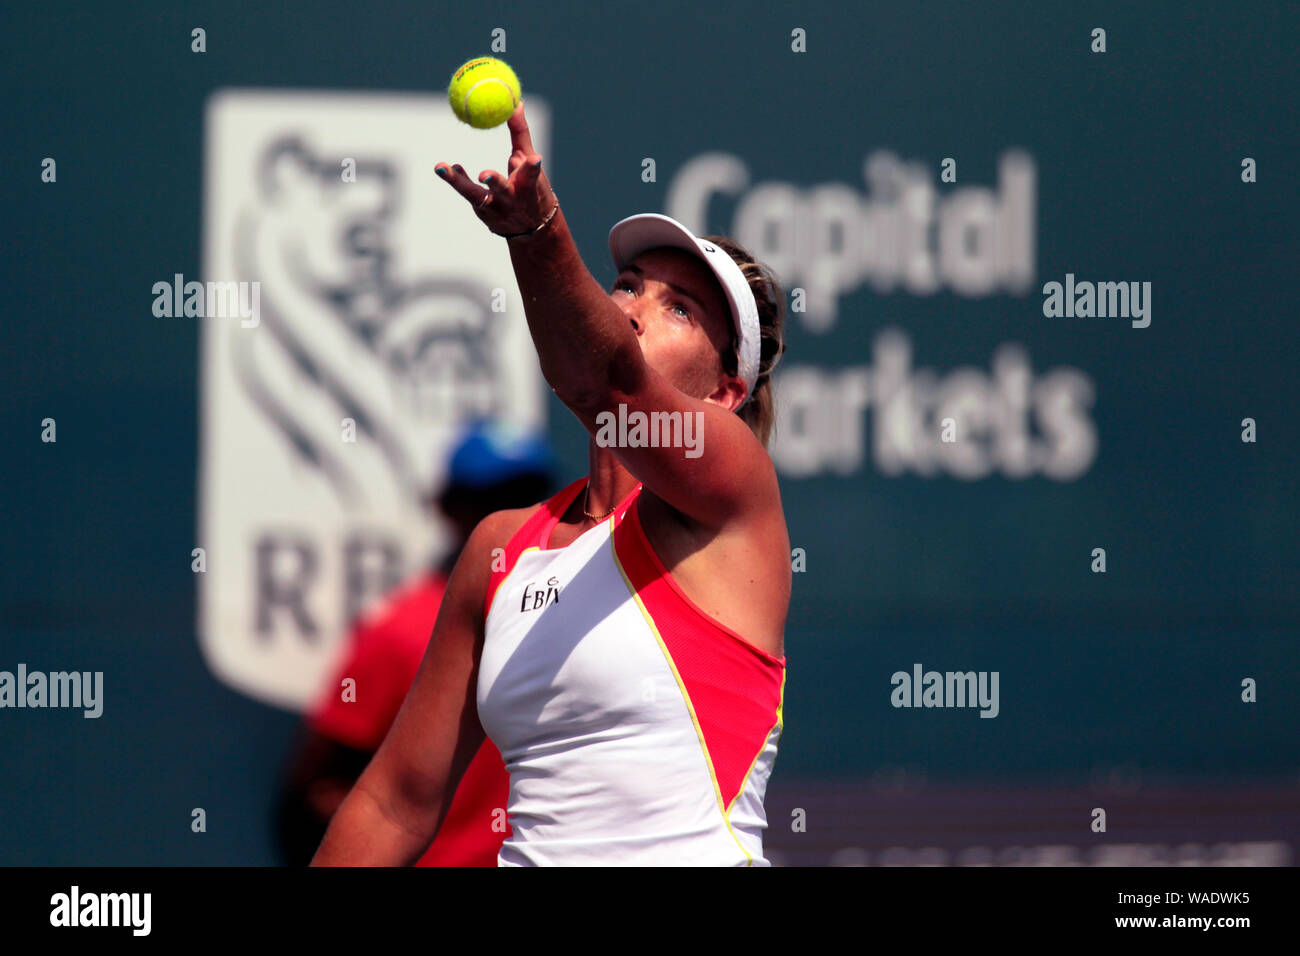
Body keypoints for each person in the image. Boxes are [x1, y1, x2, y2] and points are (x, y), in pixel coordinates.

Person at [313, 99, 789, 866]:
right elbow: (395, 800)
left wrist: (538, 237)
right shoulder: (499, 551)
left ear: (725, 393)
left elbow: (609, 387)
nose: (634, 310)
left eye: (680, 309)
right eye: (628, 285)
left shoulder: (731, 493)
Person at [277, 420, 554, 865]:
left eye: (527, 497)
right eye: (489, 502)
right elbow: (314, 790)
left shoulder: (582, 617)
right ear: (448, 508)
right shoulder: (398, 631)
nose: (510, 518)